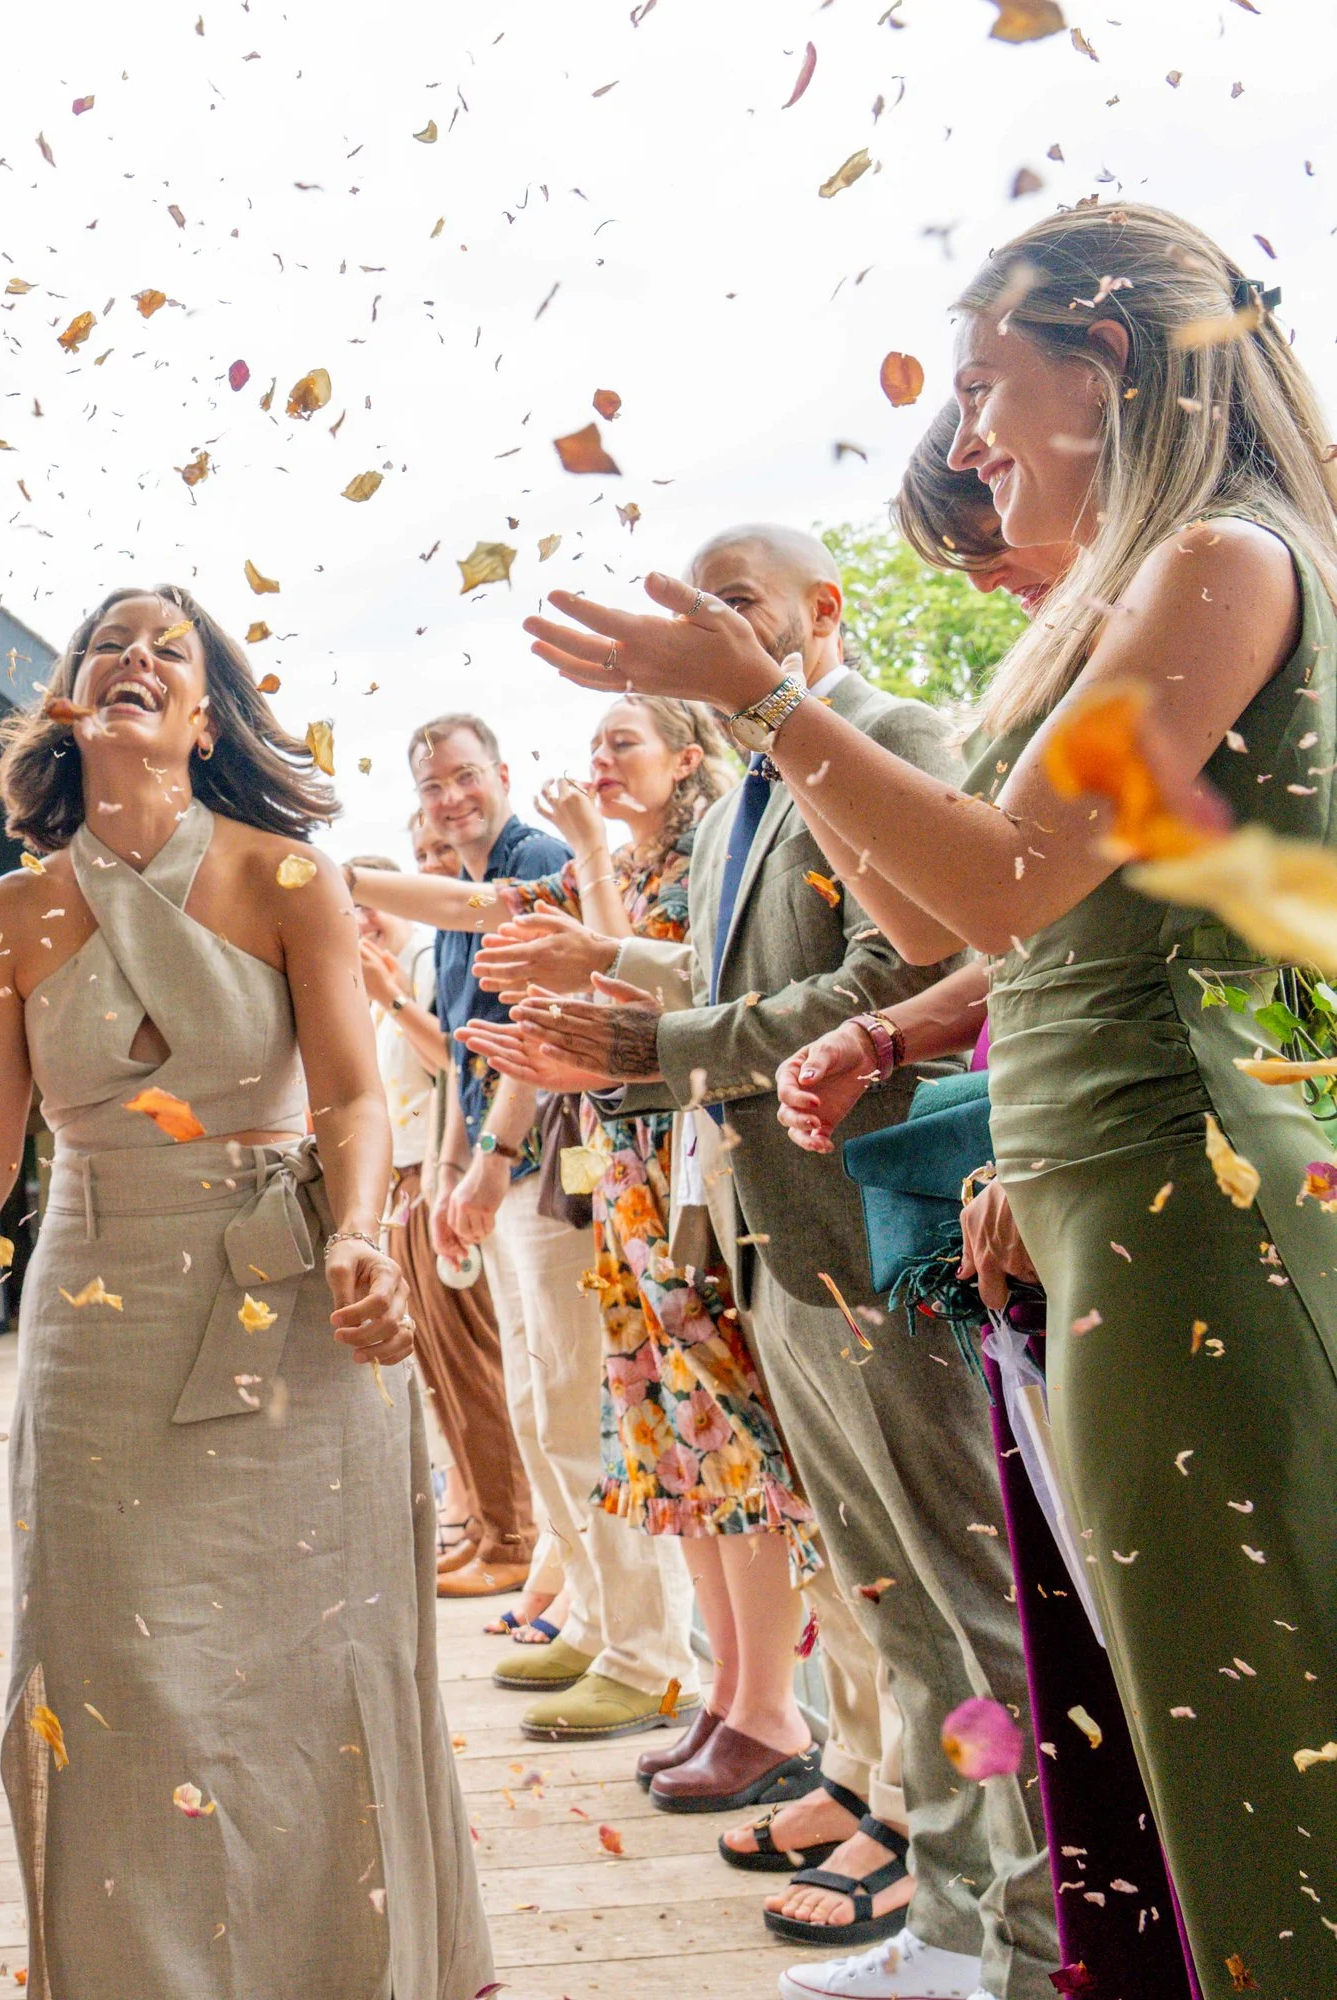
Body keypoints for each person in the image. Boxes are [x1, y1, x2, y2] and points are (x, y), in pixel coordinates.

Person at [521, 205, 1337, 1999]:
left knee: (1248, 1729)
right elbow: (951, 921)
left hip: (1191, 1212)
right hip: (1099, 1195)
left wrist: (766, 704)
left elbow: (1015, 877)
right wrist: (780, 759)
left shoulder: (1222, 561)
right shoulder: (1156, 583)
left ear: (1104, 362)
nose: (961, 437)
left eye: (981, 386)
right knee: (1154, 1709)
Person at [0, 583, 489, 1998]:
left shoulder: (288, 878)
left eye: (174, 653)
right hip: (99, 1310)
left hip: (299, 1293)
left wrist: (365, 1237)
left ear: (207, 718)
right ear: (72, 698)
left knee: (321, 1669)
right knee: (111, 1672)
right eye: (112, 645)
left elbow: (352, 1100)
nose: (139, 660)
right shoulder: (6, 915)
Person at [494, 523, 1059, 2000]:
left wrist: (659, 1048)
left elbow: (911, 970)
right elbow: (749, 976)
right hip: (773, 1238)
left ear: (825, 608)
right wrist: (613, 974)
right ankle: (949, 1924)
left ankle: (1039, 1939)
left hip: (874, 1225)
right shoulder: (757, 781)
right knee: (883, 1596)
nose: (711, 631)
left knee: (962, 1603)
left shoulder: (889, 735)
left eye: (734, 602)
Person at [772, 413, 1196, 1998]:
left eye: (996, 512)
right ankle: (1040, 1937)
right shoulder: (1086, 659)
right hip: (1042, 1189)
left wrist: (1026, 1131)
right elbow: (1001, 940)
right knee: (1054, 1610)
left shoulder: (1210, 612)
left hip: (1142, 1186)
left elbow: (1061, 914)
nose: (996, 566)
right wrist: (900, 1030)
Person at [488, 698, 826, 1816]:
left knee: (726, 1430)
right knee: (672, 1437)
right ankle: (729, 1691)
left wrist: (585, 855)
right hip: (626, 1164)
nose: (596, 761)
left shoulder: (709, 844)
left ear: (685, 755)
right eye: (589, 743)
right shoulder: (627, 861)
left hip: (694, 1157)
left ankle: (770, 1705)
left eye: (620, 740)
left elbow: (658, 996)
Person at [352, 720, 700, 1747]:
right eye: (434, 783)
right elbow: (468, 1043)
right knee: (537, 1398)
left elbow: (544, 1023)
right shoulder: (468, 890)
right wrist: (457, 1167)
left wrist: (491, 1161)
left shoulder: (537, 863)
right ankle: (593, 1618)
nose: (452, 796)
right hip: (501, 1173)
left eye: (467, 776)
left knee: (576, 1397)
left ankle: (646, 1649)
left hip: (560, 1170)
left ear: (502, 775)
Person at [351, 845, 534, 1598]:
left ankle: (511, 1534)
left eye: (370, 902)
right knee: (440, 1366)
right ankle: (488, 1526)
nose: (360, 919)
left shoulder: (424, 960)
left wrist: (391, 1000)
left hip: (447, 1173)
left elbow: (455, 1062)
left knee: (475, 1361)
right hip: (411, 1179)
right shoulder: (386, 978)